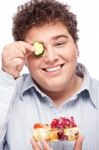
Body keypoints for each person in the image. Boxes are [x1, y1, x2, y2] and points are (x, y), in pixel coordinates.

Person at [0, 0, 98, 149]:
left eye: (59, 44)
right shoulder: (7, 94)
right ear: (25, 58)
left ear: (77, 48)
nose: (51, 58)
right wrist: (6, 78)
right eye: (39, 49)